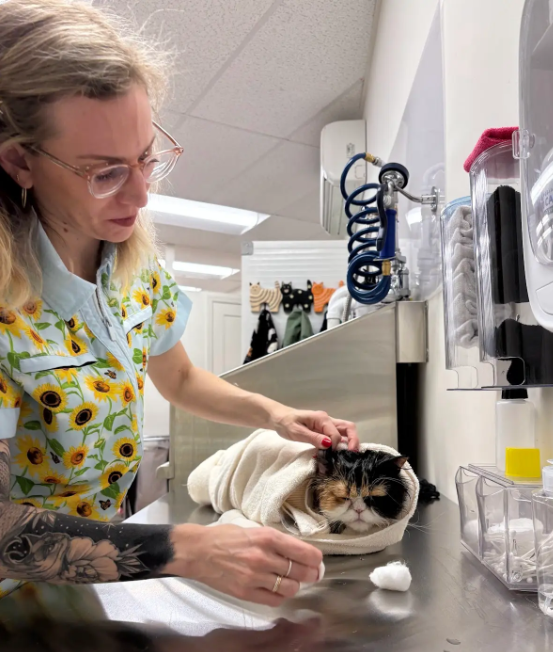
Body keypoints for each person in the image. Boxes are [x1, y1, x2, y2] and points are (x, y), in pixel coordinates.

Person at [0, 0, 359, 606]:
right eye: (106, 172)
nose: (141, 194)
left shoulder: (138, 274)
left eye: (146, 157)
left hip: (91, 584)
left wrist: (276, 416)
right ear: (19, 162)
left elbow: (182, 378)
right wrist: (187, 550)